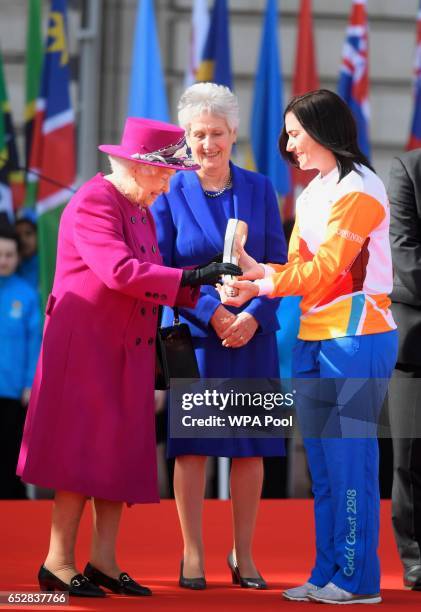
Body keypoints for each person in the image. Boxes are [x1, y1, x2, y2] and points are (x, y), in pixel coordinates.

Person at [16, 117, 240, 598]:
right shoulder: (97, 200)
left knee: (118, 457)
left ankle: (102, 560)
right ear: (137, 167)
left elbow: (154, 274)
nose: (169, 182)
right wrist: (192, 277)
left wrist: (204, 294)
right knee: (78, 456)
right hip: (87, 352)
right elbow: (120, 271)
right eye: (163, 173)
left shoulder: (137, 205)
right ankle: (56, 562)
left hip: (125, 350)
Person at [219, 89, 398, 604]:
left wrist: (267, 283)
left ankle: (358, 581)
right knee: (322, 463)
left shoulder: (362, 188)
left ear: (323, 130)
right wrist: (255, 278)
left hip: (358, 336)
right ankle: (327, 572)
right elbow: (298, 268)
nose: (288, 143)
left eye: (295, 132)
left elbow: (327, 271)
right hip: (315, 337)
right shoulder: (312, 191)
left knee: (351, 462)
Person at [152, 82, 287, 590]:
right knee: (192, 448)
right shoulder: (170, 189)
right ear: (186, 138)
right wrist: (212, 312)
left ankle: (244, 555)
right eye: (197, 134)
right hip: (195, 333)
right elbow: (161, 266)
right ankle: (192, 552)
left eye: (217, 133)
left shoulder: (260, 188)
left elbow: (278, 262)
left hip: (253, 334)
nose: (207, 143)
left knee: (252, 450)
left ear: (234, 134)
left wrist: (252, 314)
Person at [387, 150, 421, 590]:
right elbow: (405, 257)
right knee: (411, 459)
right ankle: (416, 557)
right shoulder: (408, 169)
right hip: (417, 342)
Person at [0, 226, 40, 499]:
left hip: (14, 392)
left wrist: (29, 384)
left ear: (18, 258)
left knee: (9, 452)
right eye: (0, 254)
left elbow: (34, 342)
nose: (3, 260)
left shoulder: (26, 295)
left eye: (9, 255)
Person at [15, 215, 39, 290]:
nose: (23, 239)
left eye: (28, 233)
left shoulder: (48, 265)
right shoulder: (9, 268)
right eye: (18, 236)